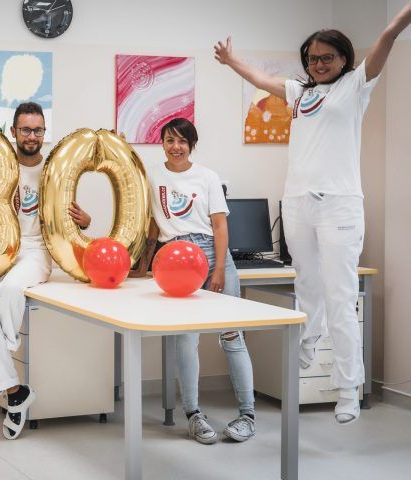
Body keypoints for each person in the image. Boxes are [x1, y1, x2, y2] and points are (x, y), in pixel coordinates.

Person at [214, 2, 411, 425]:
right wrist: (231, 61)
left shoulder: (356, 85)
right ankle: (312, 333)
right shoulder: (300, 93)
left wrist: (402, 17)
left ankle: (347, 386)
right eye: (312, 58)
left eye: (327, 57)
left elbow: (386, 39)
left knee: (340, 293)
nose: (318, 64)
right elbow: (261, 79)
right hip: (297, 201)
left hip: (339, 204)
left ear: (343, 59)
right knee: (305, 281)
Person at [0, 102, 91, 440]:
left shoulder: (55, 171)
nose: (32, 136)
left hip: (36, 252)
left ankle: (2, 366)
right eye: (26, 130)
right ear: (14, 132)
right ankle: (14, 391)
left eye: (38, 130)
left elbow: (70, 218)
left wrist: (86, 221)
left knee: (11, 290)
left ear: (44, 133)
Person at [131, 118, 256, 444]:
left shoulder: (207, 177)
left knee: (232, 336)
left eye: (182, 141)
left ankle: (247, 415)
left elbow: (219, 226)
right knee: (186, 339)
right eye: (170, 140)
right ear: (162, 143)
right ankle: (193, 415)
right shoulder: (152, 176)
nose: (176, 147)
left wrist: (218, 270)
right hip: (175, 259)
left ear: (191, 145)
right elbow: (152, 223)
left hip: (212, 255)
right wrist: (143, 263)